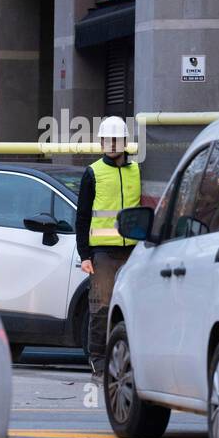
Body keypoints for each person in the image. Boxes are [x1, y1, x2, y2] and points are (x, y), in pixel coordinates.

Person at [75, 115, 141, 383]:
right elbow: (81, 217)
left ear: (125, 142)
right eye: (107, 140)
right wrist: (84, 255)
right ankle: (99, 362)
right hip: (102, 252)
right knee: (101, 308)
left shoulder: (137, 171)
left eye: (116, 140)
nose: (112, 144)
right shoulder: (93, 173)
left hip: (133, 252)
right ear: (101, 142)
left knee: (132, 308)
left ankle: (129, 360)